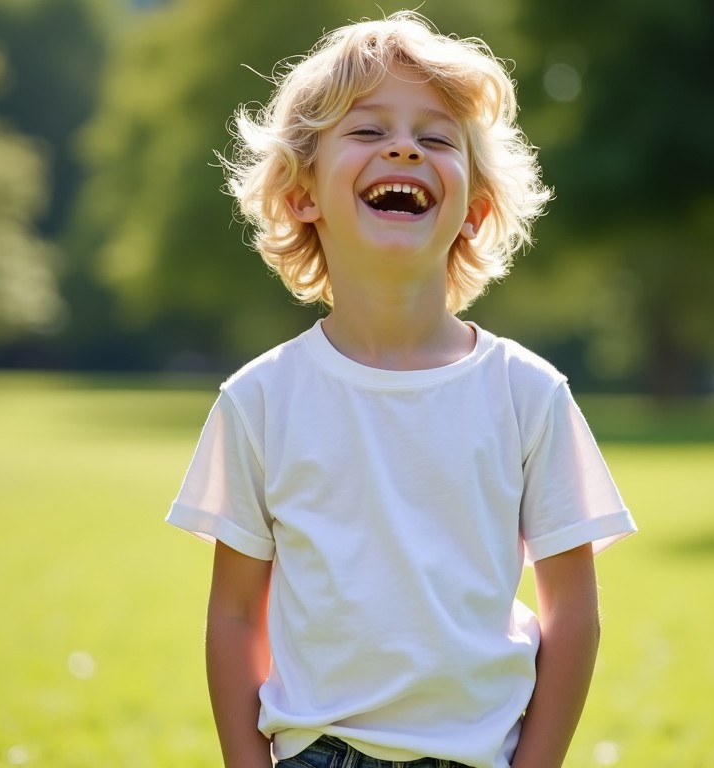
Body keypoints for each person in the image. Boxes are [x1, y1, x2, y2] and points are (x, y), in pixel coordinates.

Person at [167, 11, 637, 768]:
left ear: (474, 211)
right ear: (301, 196)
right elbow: (231, 615)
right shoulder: (258, 401)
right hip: (319, 753)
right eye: (367, 130)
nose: (403, 146)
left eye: (437, 138)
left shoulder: (529, 394)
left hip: (483, 755)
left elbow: (574, 610)